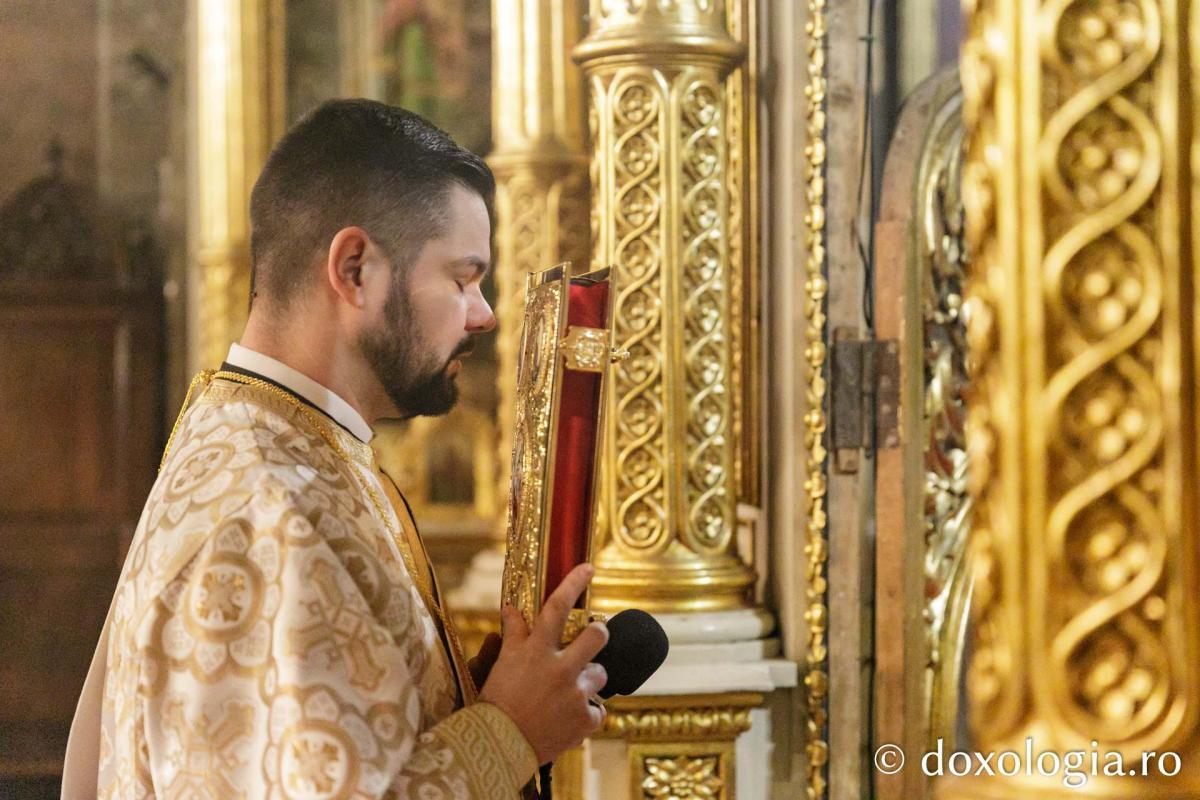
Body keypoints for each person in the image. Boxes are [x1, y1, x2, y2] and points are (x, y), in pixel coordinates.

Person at [62, 99, 608, 799]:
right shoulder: (270, 510)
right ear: (354, 269)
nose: (484, 313)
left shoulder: (279, 441)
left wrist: (471, 695)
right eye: (462, 278)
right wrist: (509, 732)